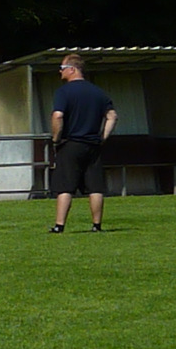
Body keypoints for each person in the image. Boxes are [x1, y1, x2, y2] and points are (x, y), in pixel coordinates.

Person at [49, 54, 118, 234]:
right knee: (95, 187)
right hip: (93, 145)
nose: (60, 72)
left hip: (71, 143)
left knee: (65, 186)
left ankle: (59, 225)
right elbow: (112, 116)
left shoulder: (63, 92)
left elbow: (58, 116)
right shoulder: (98, 92)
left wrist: (56, 138)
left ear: (72, 69)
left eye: (62, 68)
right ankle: (96, 225)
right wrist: (102, 137)